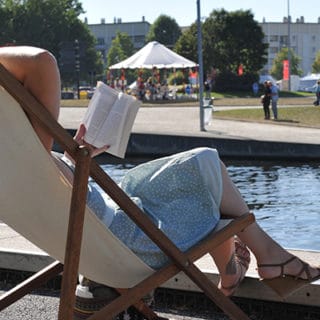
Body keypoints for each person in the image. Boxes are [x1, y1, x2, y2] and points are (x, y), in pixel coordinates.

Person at [1, 46, 319, 300]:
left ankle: (250, 262)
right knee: (205, 165)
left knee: (198, 177)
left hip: (109, 229)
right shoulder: (23, 154)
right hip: (129, 243)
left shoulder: (15, 164)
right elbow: (41, 62)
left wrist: (75, 158)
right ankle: (265, 257)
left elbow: (52, 187)